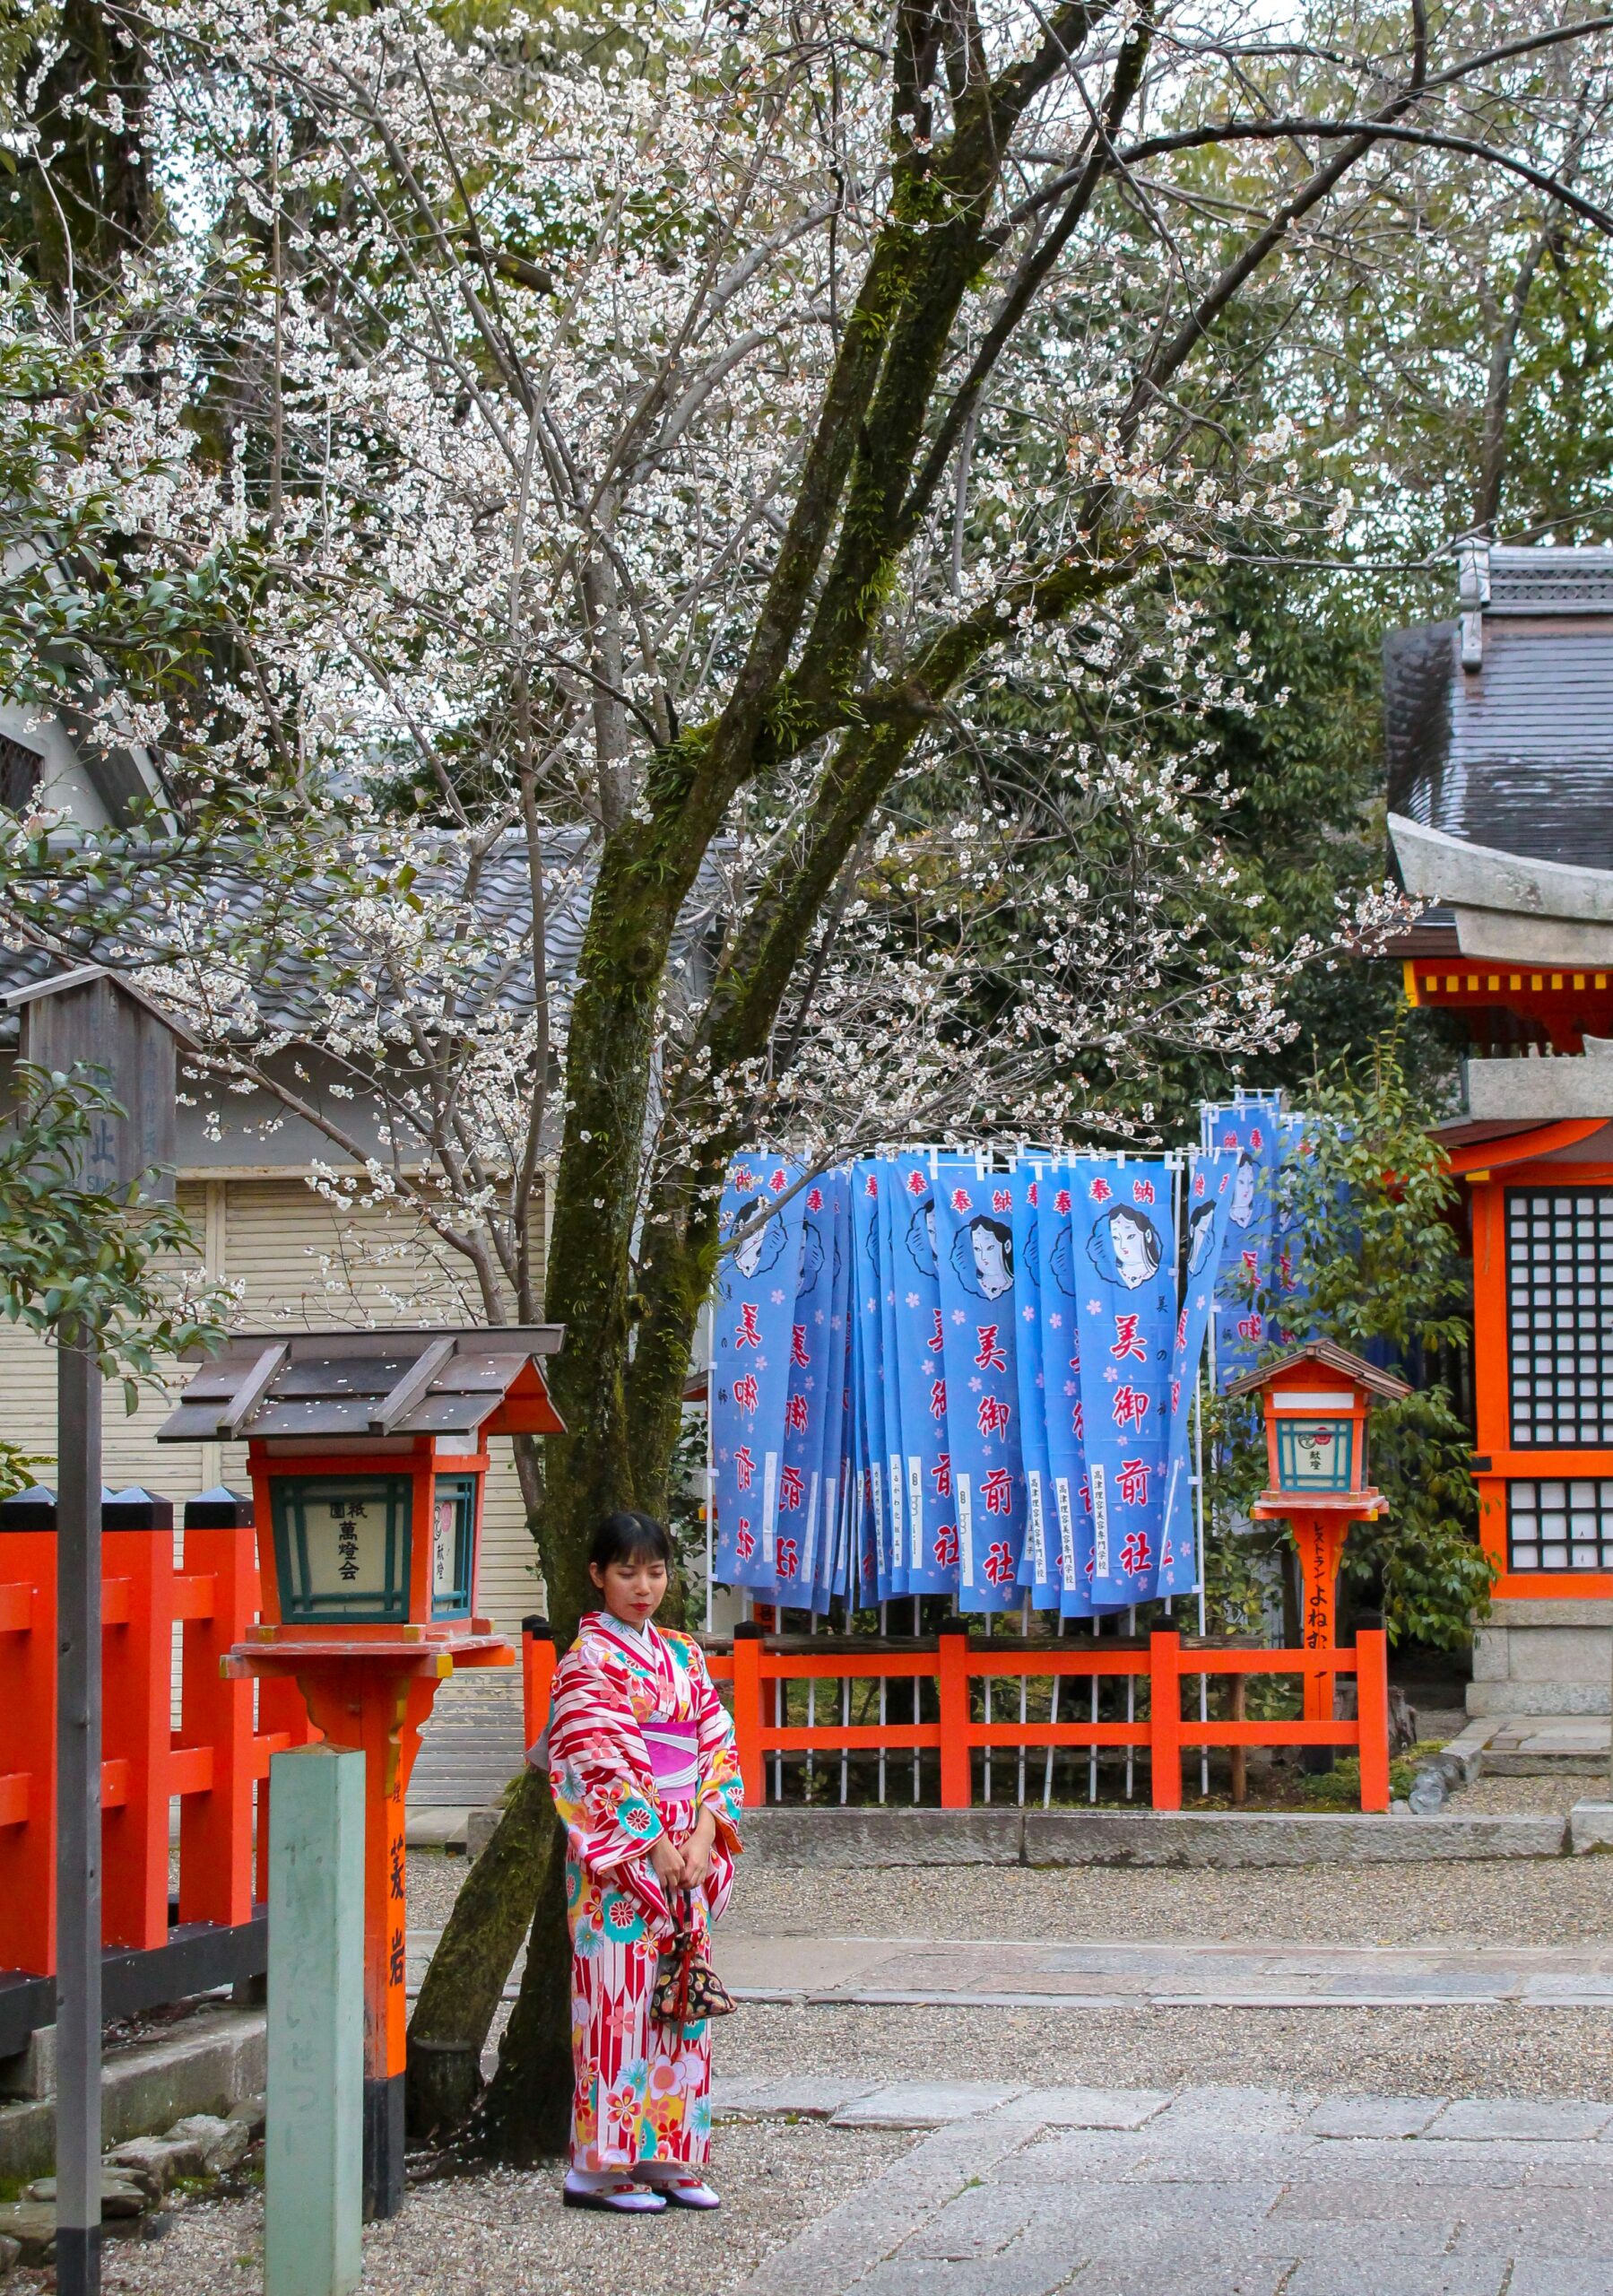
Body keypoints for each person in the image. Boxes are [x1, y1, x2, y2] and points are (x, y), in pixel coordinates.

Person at [539, 1511, 743, 2215]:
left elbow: (717, 1744)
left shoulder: (684, 1654)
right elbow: (593, 1761)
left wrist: (705, 1833)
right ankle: (596, 2169)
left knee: (681, 2005)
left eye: (654, 1572)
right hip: (620, 1867)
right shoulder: (584, 1663)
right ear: (597, 1576)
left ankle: (667, 2154)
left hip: (687, 1848)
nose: (642, 1586)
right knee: (614, 2004)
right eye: (626, 1571)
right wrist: (651, 1842)